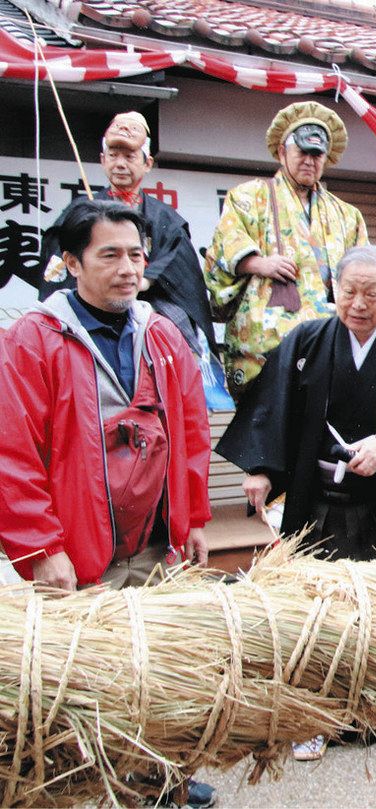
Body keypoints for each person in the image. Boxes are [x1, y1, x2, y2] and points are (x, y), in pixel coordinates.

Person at [0, 199, 214, 807]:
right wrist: (42, 549)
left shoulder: (163, 334)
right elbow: (11, 449)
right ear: (70, 262)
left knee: (156, 668)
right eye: (109, 255)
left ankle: (160, 777)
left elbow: (191, 432)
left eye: (137, 255)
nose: (128, 268)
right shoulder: (33, 340)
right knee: (85, 680)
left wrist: (193, 517)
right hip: (77, 551)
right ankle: (89, 783)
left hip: (150, 541)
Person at [216, 245, 376, 558]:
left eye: (372, 293)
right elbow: (272, 403)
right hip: (314, 501)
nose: (359, 304)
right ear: (334, 287)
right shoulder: (306, 340)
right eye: (349, 291)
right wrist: (261, 470)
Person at [34, 112, 224, 405]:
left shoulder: (166, 219)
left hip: (150, 310)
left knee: (174, 333)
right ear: (102, 159)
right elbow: (59, 266)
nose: (120, 163)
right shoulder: (80, 213)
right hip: (89, 309)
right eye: (114, 154)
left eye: (130, 156)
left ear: (147, 163)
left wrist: (145, 279)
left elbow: (179, 270)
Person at [205, 101, 369, 397]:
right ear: (282, 151)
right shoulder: (248, 197)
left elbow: (364, 273)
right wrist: (256, 263)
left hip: (327, 344)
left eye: (317, 154)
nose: (309, 160)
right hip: (265, 345)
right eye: (302, 152)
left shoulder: (348, 216)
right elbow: (223, 247)